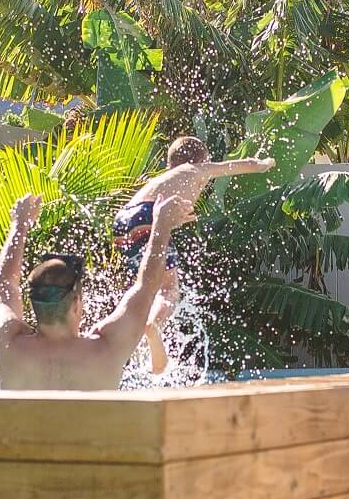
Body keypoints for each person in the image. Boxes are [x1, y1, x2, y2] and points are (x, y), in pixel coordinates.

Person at [0, 190, 190, 391]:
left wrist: (19, 224)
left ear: (34, 305)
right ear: (76, 305)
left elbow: (4, 283)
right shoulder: (106, 348)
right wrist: (161, 225)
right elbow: (147, 286)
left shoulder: (8, 344)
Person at [113, 136, 275, 373]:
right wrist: (263, 164)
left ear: (170, 165)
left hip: (122, 222)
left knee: (145, 286)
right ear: (202, 160)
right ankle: (152, 326)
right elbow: (240, 165)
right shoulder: (197, 169)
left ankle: (131, 336)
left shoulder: (162, 179)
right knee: (169, 289)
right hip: (149, 215)